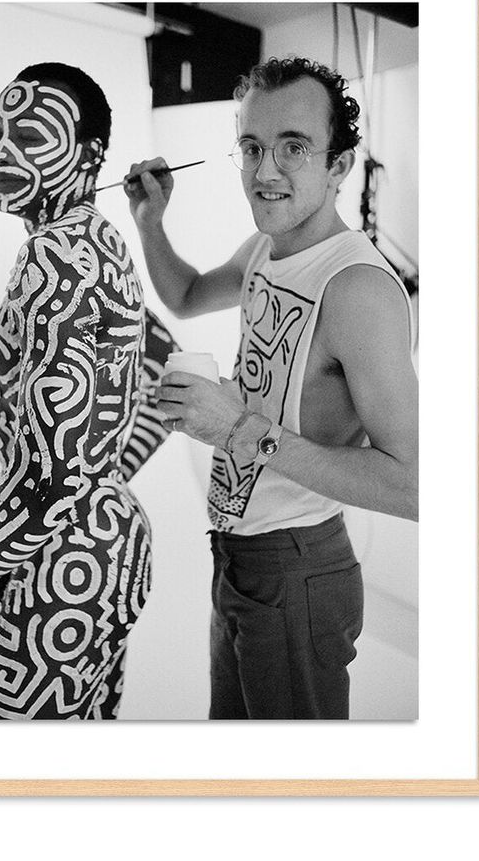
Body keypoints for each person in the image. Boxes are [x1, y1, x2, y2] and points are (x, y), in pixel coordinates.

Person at [125, 56, 418, 720]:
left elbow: (415, 486)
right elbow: (187, 294)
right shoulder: (267, 247)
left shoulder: (358, 289)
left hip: (298, 567)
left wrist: (236, 428)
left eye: (293, 147)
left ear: (340, 166)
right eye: (252, 147)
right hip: (238, 558)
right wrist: (150, 221)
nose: (265, 172)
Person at [0, 62, 178, 720]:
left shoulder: (53, 256)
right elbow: (161, 355)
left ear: (89, 155)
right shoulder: (101, 239)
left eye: (31, 137)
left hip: (68, 557)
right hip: (108, 542)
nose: (3, 153)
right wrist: (105, 475)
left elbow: (52, 479)